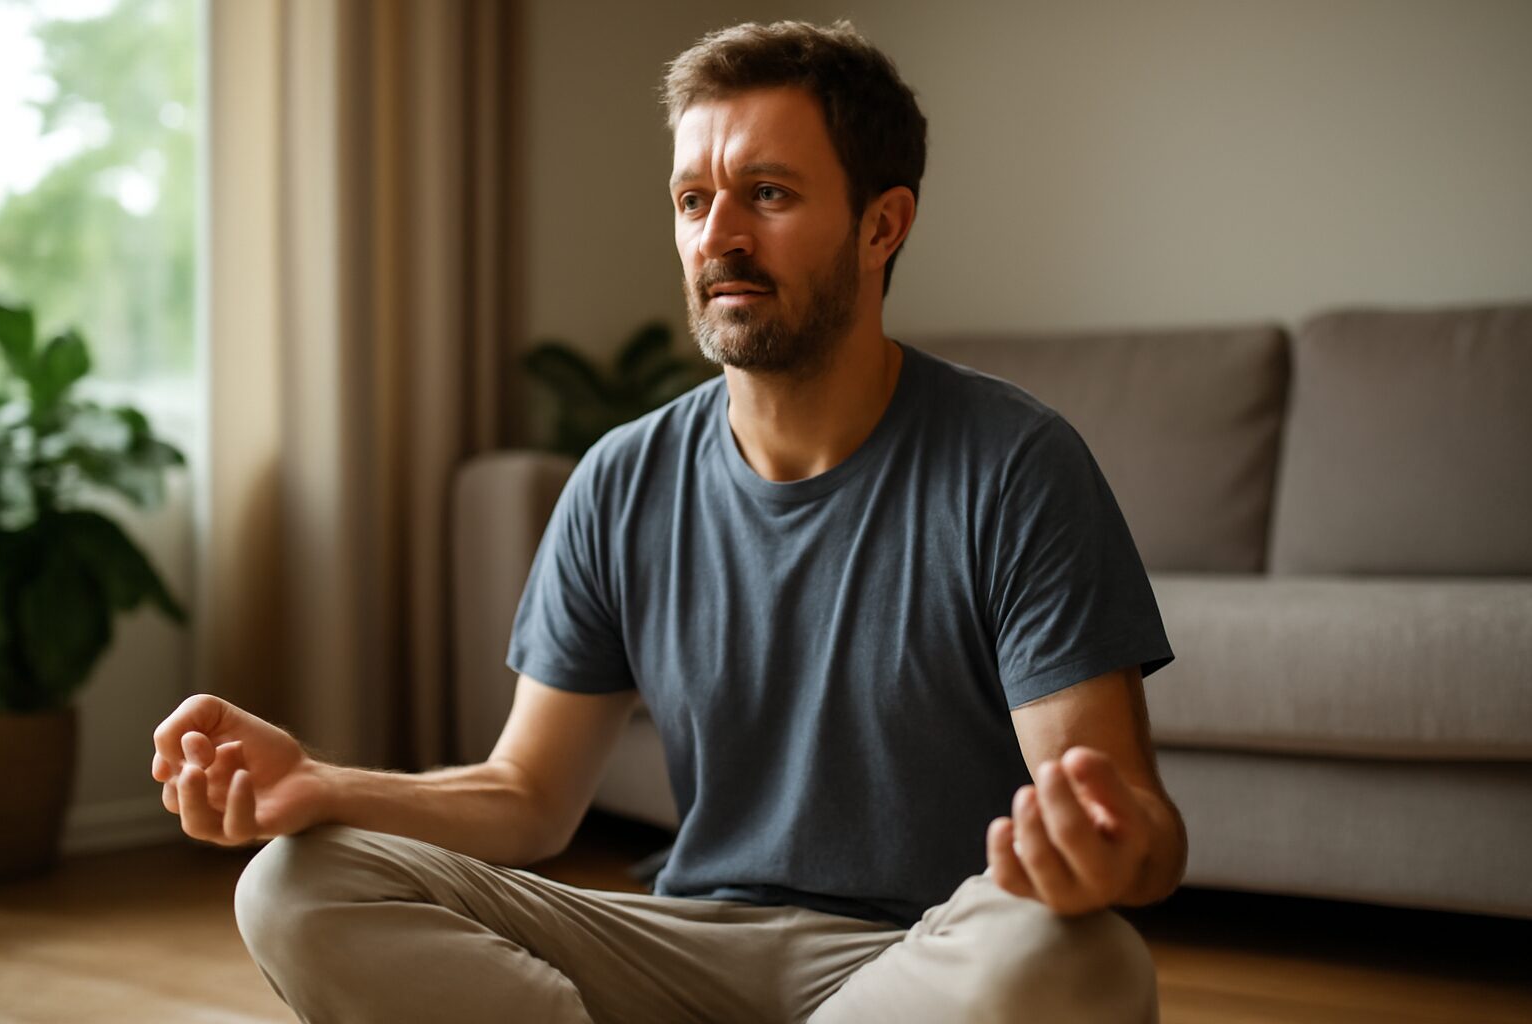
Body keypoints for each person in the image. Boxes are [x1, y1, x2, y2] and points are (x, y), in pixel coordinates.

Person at [152, 20, 1184, 1024]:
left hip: (924, 953)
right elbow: (528, 795)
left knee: (1083, 960)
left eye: (768, 195)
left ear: (883, 224)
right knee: (295, 882)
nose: (718, 236)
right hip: (685, 944)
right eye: (695, 199)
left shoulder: (1013, 462)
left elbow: (1134, 825)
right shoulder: (620, 478)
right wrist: (316, 782)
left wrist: (1101, 845)